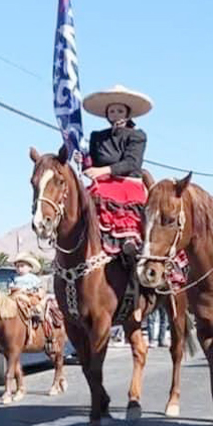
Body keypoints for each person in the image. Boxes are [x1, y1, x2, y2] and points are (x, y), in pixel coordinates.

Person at [81, 84, 152, 305]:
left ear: (127, 113)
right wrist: (83, 162)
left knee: (117, 196)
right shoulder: (96, 136)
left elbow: (132, 162)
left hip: (127, 181)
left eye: (120, 111)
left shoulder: (137, 136)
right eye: (112, 111)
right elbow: (91, 161)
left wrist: (103, 170)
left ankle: (130, 240)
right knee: (83, 200)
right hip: (101, 182)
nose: (115, 115)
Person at [10, 253, 45, 322]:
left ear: (30, 268)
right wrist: (18, 290)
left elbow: (39, 287)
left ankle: (37, 313)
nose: (20, 269)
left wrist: (36, 292)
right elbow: (11, 287)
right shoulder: (14, 277)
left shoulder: (33, 278)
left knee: (34, 301)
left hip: (29, 295)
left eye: (22, 266)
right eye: (17, 267)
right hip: (16, 295)